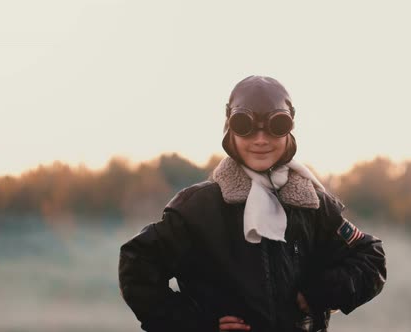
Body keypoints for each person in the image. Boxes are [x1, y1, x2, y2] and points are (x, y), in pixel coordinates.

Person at [118, 76, 387, 332]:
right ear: (229, 131)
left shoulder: (312, 205)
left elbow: (371, 257)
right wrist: (193, 324)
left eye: (276, 126)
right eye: (245, 126)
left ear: (289, 132)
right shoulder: (198, 208)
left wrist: (320, 293)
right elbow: (137, 265)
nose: (261, 139)